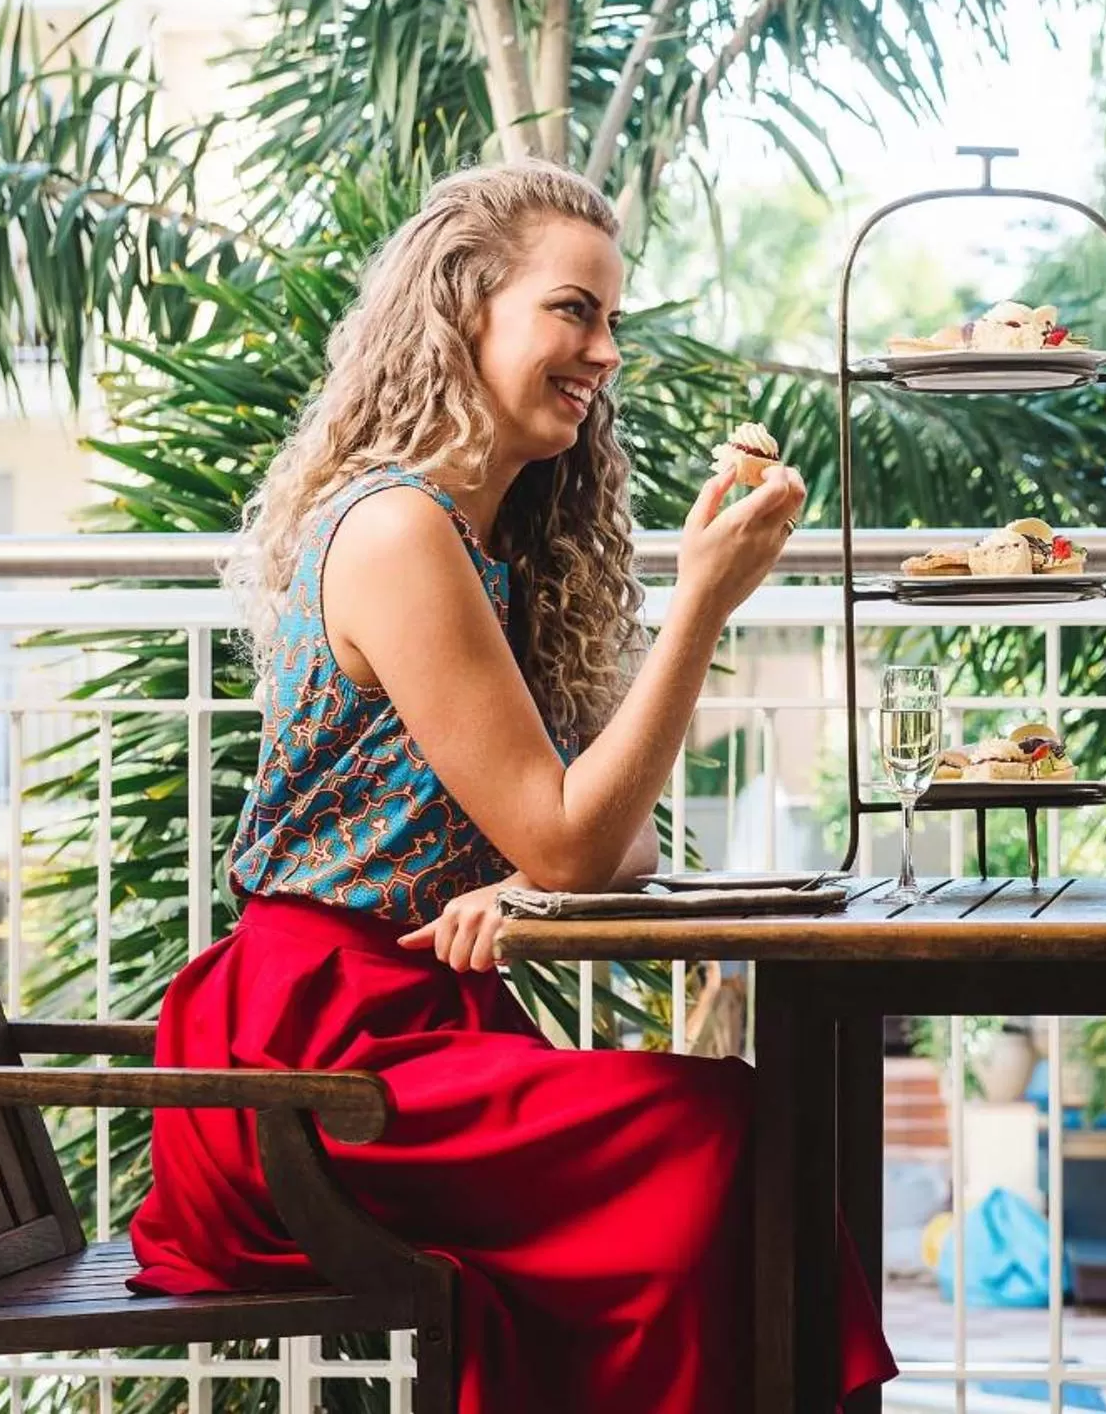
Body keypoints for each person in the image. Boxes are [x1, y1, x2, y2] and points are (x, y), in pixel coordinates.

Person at [126, 160, 895, 1412]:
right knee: (721, 1133)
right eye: (571, 310)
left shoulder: (485, 542)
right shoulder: (396, 531)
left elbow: (609, 841)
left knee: (735, 1133)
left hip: (413, 1034)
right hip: (311, 1070)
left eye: (611, 321)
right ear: (460, 309)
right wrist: (700, 601)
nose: (601, 352)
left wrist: (521, 876)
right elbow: (581, 842)